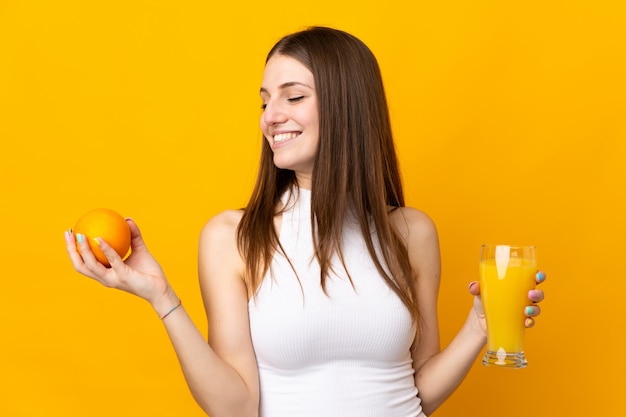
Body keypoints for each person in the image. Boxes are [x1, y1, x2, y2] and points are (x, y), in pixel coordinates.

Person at [65, 26, 546, 417]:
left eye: (292, 97)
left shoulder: (413, 232)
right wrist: (162, 298)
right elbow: (235, 409)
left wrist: (480, 327)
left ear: (347, 105)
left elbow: (419, 391)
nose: (270, 116)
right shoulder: (232, 237)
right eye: (264, 101)